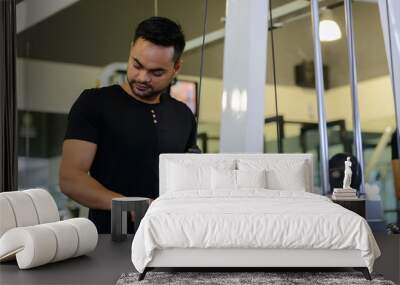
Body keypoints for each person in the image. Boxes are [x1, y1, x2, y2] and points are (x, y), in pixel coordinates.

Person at [59, 17, 198, 233]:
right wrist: (129, 206)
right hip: (109, 239)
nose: (142, 77)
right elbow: (70, 179)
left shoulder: (183, 115)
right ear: (131, 49)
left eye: (156, 72)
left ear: (176, 67)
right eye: (137, 65)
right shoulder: (94, 103)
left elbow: (190, 181)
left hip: (169, 237)